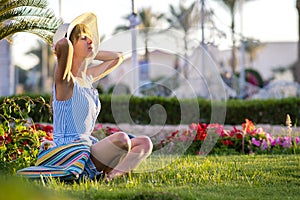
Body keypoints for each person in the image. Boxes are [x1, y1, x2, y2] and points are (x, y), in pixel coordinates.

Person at [17, 12, 153, 181]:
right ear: (71, 46)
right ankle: (91, 173)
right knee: (122, 139)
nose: (90, 40)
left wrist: (91, 51)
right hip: (70, 152)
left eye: (90, 37)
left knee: (145, 143)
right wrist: (68, 40)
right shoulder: (65, 81)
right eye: (82, 37)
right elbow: (63, 45)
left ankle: (110, 177)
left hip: (88, 147)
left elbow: (117, 57)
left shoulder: (88, 78)